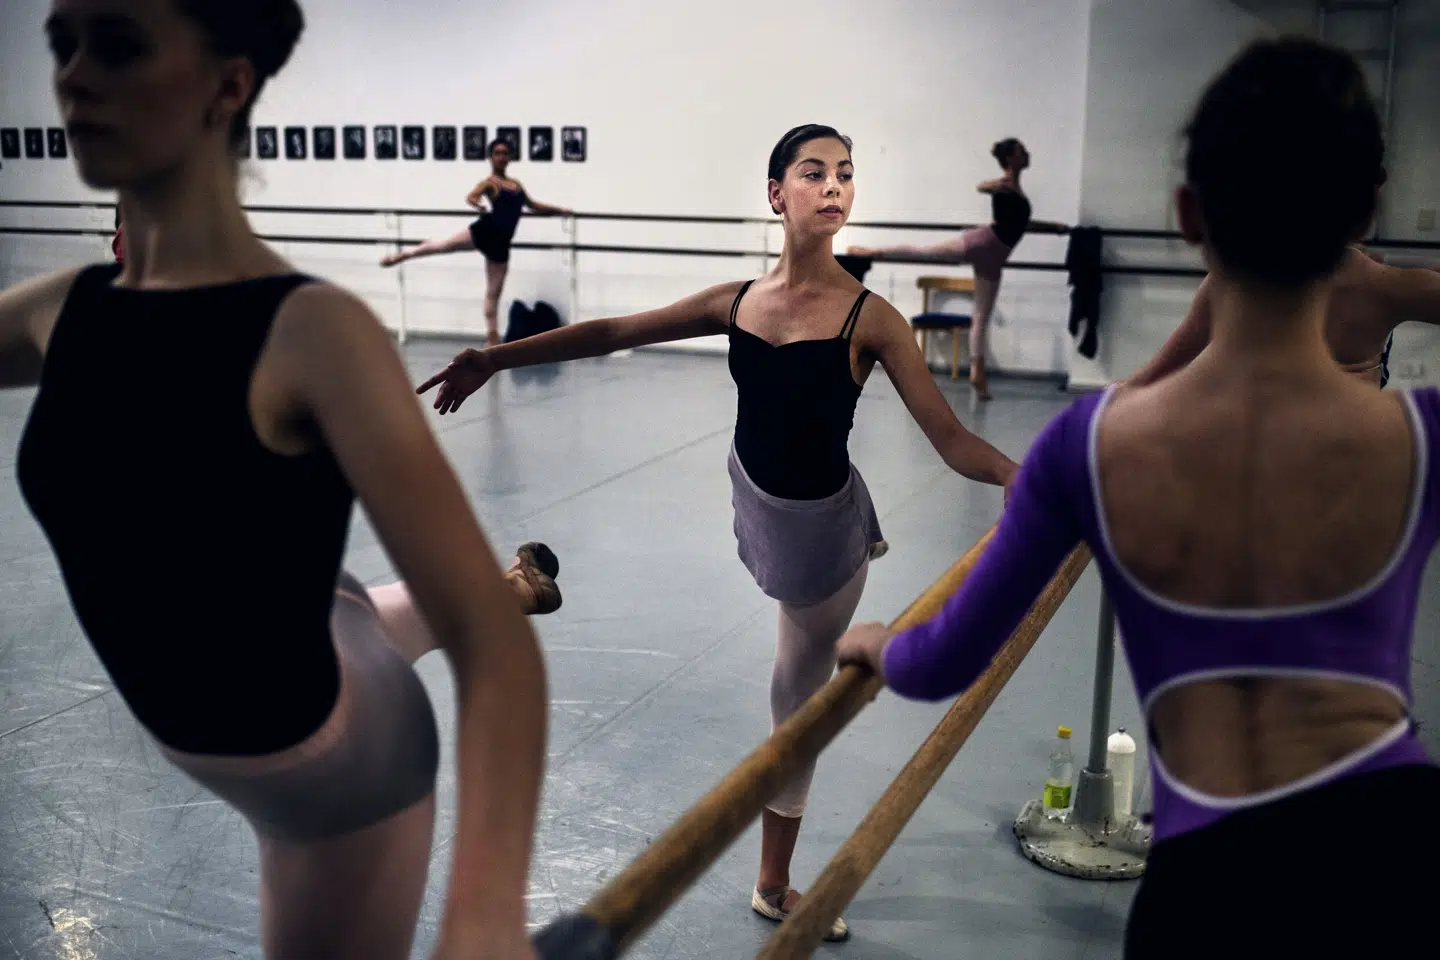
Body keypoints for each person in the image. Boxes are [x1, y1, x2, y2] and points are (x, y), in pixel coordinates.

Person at [838, 38, 1438, 957]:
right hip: (1397, 854)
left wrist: (881, 647)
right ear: (1365, 205)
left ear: (1189, 214)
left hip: (1211, 882)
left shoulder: (1092, 448)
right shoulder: (1421, 438)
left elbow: (948, 660)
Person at [1, 2, 555, 957]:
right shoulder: (64, 311)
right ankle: (517, 582)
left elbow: (493, 658)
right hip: (290, 659)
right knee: (328, 604)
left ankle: (506, 588)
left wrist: (485, 918)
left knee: (362, 629)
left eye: (120, 45)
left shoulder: (314, 331)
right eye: (62, 43)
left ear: (230, 82)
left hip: (342, 778)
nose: (73, 75)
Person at [417, 123, 1020, 941]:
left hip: (824, 537)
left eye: (846, 174)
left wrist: (1032, 484)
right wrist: (496, 357)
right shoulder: (737, 302)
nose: (834, 186)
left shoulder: (872, 320)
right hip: (757, 503)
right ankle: (775, 862)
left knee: (794, 694)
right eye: (814, 173)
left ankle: (772, 882)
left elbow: (953, 443)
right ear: (777, 194)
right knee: (789, 669)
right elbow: (610, 333)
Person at [847, 139, 1070, 400]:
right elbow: (983, 187)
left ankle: (978, 374)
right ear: (1010, 158)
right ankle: (872, 252)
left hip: (993, 257)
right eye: (1023, 151)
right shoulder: (1005, 186)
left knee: (980, 316)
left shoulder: (1016, 192)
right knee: (926, 254)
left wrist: (1054, 228)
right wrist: (999, 184)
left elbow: (1021, 224)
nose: (1028, 153)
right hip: (984, 243)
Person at [1129, 238, 1440, 389]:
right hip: (1344, 465)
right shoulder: (1379, 285)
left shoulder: (1235, 278)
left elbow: (1156, 373)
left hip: (1257, 457)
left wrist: (1104, 407)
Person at [381, 139, 573, 347]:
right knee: (442, 246)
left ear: (509, 158)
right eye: (497, 153)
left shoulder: (516, 185)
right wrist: (477, 204)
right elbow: (472, 196)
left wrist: (560, 210)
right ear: (491, 158)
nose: (501, 157)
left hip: (500, 244)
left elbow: (533, 205)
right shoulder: (490, 182)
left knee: (493, 294)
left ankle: (492, 338)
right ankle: (402, 255)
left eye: (505, 153)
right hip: (484, 231)